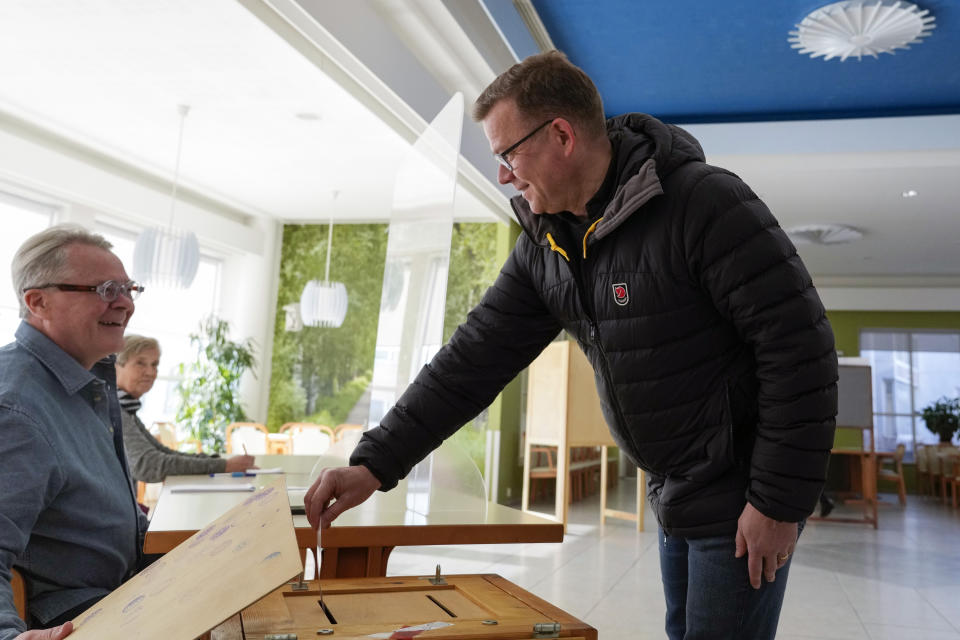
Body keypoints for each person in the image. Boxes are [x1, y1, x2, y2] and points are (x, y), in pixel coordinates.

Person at [304, 51, 838, 640]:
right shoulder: (547, 243)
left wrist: (778, 504)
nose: (503, 174)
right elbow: (471, 360)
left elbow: (800, 352)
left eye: (508, 153)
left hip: (740, 496)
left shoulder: (702, 203)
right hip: (675, 492)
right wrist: (375, 463)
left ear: (561, 134)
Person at [0, 225, 150, 640]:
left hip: (122, 594)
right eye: (105, 289)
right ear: (38, 302)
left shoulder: (88, 382)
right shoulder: (15, 407)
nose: (125, 304)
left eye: (128, 288)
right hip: (78, 620)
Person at [115, 335, 255, 483]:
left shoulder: (126, 410)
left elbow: (163, 453)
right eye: (140, 363)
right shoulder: (114, 412)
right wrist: (223, 465)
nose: (150, 372)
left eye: (154, 364)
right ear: (116, 366)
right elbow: (148, 465)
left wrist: (220, 462)